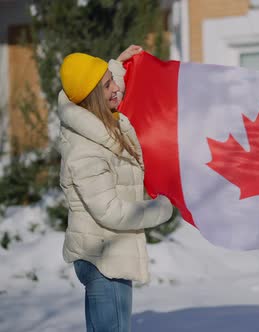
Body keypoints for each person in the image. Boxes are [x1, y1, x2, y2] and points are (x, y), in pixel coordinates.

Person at [58, 45, 173, 332]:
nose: (115, 89)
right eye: (107, 85)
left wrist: (118, 66)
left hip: (110, 252)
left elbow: (100, 87)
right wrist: (161, 208)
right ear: (92, 96)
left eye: (112, 80)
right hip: (102, 258)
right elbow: (110, 211)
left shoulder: (92, 118)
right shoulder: (86, 150)